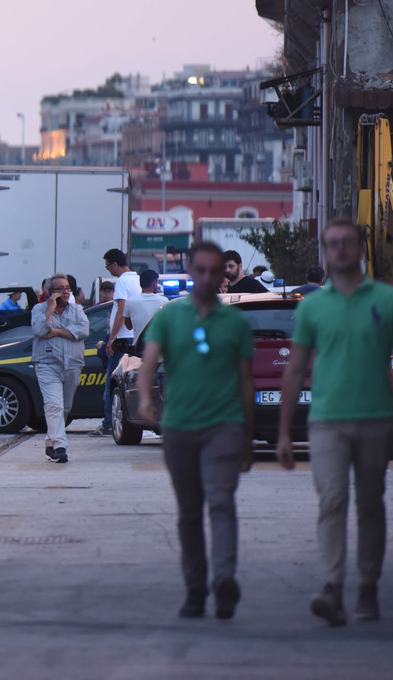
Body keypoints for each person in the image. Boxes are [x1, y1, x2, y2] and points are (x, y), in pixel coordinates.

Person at [275, 218, 393, 625]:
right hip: (327, 420)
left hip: (374, 418)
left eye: (347, 243)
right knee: (332, 501)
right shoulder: (313, 305)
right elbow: (295, 369)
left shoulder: (390, 300)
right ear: (325, 251)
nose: (340, 250)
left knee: (370, 505)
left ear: (361, 248)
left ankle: (367, 586)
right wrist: (282, 431)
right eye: (332, 244)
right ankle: (333, 587)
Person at [135, 242, 254, 619]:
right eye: (198, 270)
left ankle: (223, 580)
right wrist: (144, 399)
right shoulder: (171, 316)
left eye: (212, 271)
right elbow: (148, 361)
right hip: (180, 428)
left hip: (224, 426)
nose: (205, 277)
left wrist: (249, 435)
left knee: (220, 502)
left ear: (223, 275)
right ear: (189, 270)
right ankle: (195, 587)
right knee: (189, 512)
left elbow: (246, 381)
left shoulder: (235, 321)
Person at [31, 274, 88, 464]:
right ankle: (60, 446)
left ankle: (51, 441)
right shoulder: (39, 309)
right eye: (60, 288)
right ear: (50, 292)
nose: (65, 291)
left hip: (72, 363)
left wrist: (55, 331)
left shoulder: (77, 309)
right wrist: (50, 310)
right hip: (47, 363)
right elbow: (39, 331)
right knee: (53, 405)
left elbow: (83, 330)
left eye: (67, 288)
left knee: (64, 407)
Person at [96, 249, 142, 438]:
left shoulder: (122, 281)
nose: (108, 270)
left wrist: (111, 339)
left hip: (121, 338)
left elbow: (122, 310)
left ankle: (108, 424)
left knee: (111, 383)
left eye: (107, 265)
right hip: (133, 336)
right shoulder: (136, 279)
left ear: (115, 264)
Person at [125, 269, 168, 340]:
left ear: (140, 284)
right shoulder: (164, 301)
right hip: (158, 346)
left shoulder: (130, 301)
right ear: (154, 284)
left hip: (139, 347)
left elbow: (128, 326)